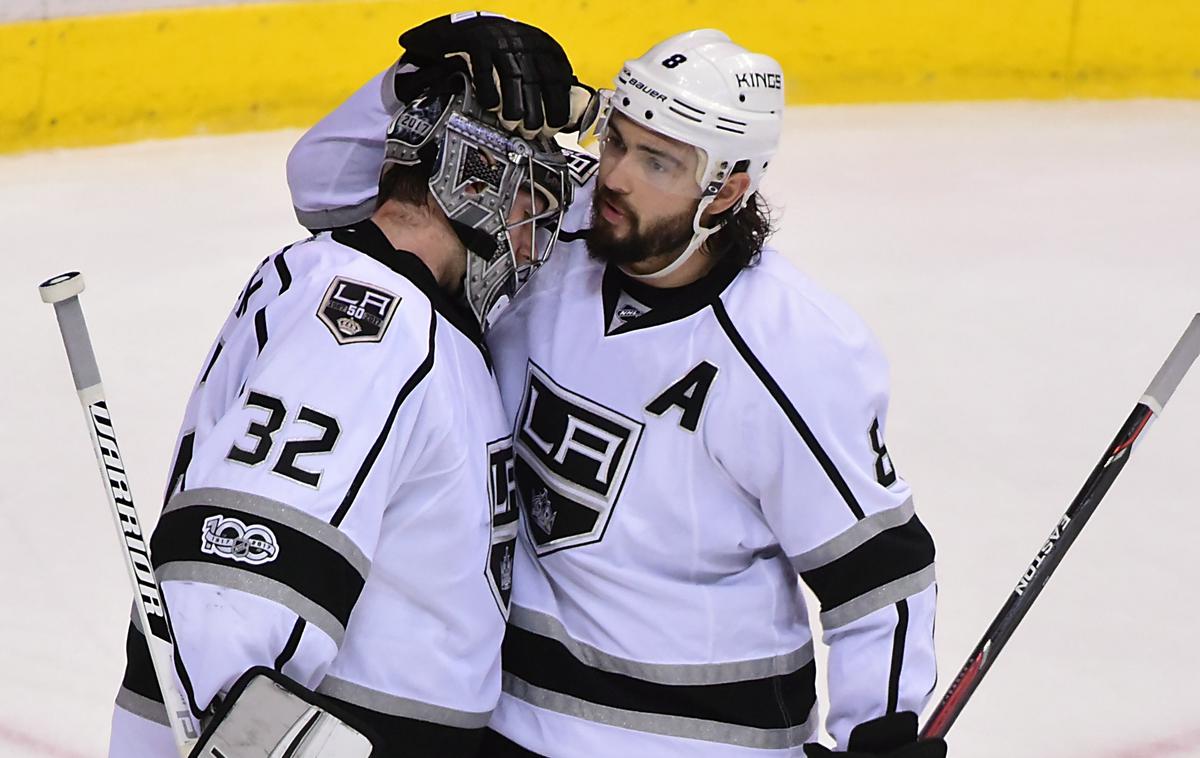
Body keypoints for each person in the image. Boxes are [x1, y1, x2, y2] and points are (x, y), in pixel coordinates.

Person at [287, 15, 945, 757]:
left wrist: (883, 737)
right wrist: (417, 83)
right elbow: (325, 190)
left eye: (658, 162)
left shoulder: (795, 346)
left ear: (724, 190)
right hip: (501, 723)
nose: (617, 175)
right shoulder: (544, 231)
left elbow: (878, 574)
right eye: (618, 141)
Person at [107, 63, 577, 756]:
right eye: (529, 205)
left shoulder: (370, 298)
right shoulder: (371, 325)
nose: (537, 243)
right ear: (472, 184)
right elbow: (236, 589)